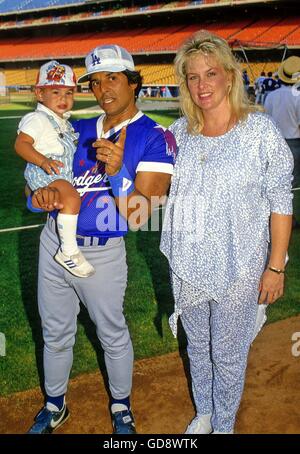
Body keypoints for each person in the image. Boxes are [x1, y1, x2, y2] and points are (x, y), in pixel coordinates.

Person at [26, 44, 175, 434]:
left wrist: (117, 173)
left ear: (133, 82)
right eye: (95, 81)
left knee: (111, 333)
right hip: (53, 243)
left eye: (113, 78)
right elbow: (38, 183)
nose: (103, 89)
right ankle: (55, 404)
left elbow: (142, 215)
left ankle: (121, 406)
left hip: (104, 253)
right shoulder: (72, 128)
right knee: (55, 332)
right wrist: (36, 199)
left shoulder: (155, 136)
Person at [160, 30, 294, 434]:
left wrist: (276, 267)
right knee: (198, 345)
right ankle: (204, 413)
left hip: (242, 262)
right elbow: (149, 185)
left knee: (229, 352)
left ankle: (223, 426)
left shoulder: (259, 132)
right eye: (192, 77)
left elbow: (280, 200)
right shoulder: (178, 134)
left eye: (210, 74)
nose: (202, 85)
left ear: (230, 77)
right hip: (188, 259)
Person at [15, 60, 94, 278]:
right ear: (40, 94)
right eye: (56, 91)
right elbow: (21, 144)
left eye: (69, 93)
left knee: (66, 201)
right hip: (46, 171)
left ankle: (67, 246)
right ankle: (68, 251)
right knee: (72, 200)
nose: (63, 98)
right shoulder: (37, 119)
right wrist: (42, 161)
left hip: (58, 172)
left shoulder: (63, 123)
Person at [264, 56, 300, 194]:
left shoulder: (271, 96)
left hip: (274, 143)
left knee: (277, 181)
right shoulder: (297, 96)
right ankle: (292, 214)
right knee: (294, 183)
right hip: (294, 143)